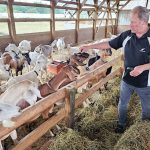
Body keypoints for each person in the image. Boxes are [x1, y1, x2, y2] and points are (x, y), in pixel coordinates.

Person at [80, 6, 150, 133]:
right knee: (122, 104)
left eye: (133, 22)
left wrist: (143, 67)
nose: (130, 25)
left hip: (145, 84)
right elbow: (109, 43)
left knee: (147, 107)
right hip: (127, 80)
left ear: (143, 22)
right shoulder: (127, 35)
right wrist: (89, 46)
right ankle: (121, 125)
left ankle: (144, 129)